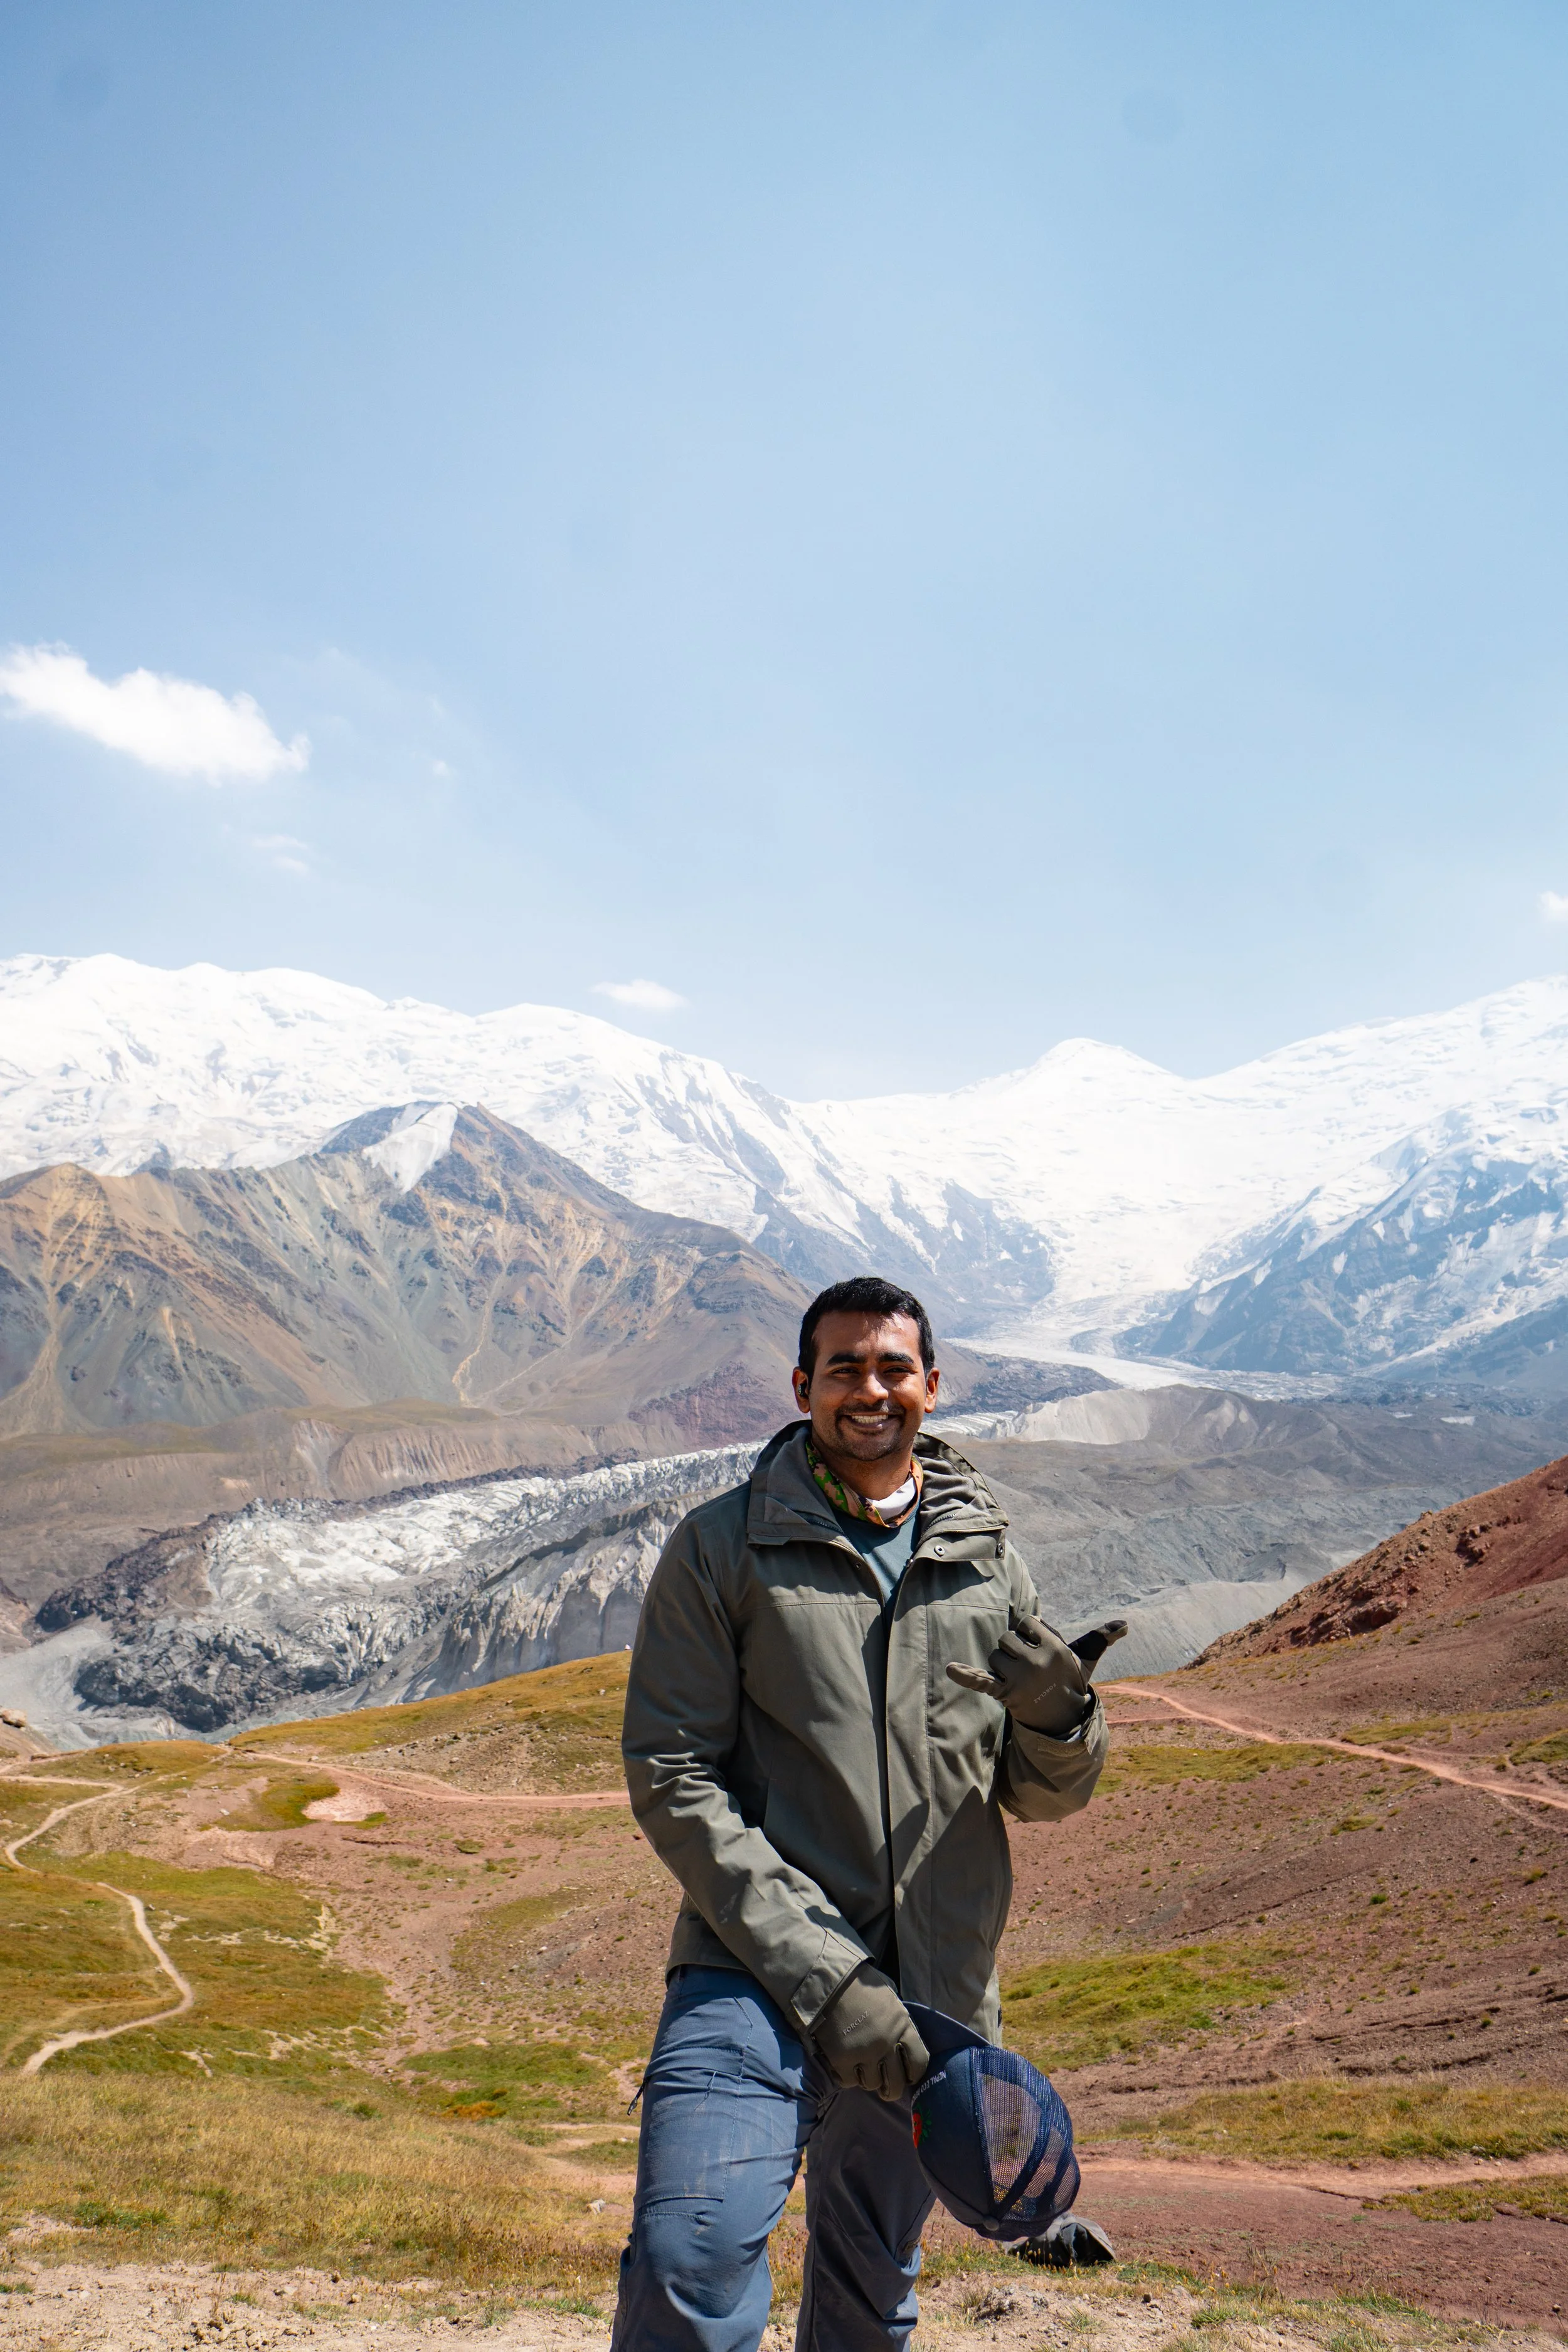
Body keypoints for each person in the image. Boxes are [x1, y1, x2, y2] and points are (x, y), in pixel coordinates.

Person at [614, 1276, 1110, 2352]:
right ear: (803, 1388)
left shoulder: (988, 1557)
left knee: (867, 2290)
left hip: (930, 1998)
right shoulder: (721, 1549)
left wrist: (1062, 1717)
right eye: (843, 1367)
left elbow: (1038, 1793)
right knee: (687, 2253)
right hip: (749, 1970)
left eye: (893, 1367)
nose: (869, 1388)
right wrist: (829, 1980)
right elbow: (671, 1771)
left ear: (933, 1386)